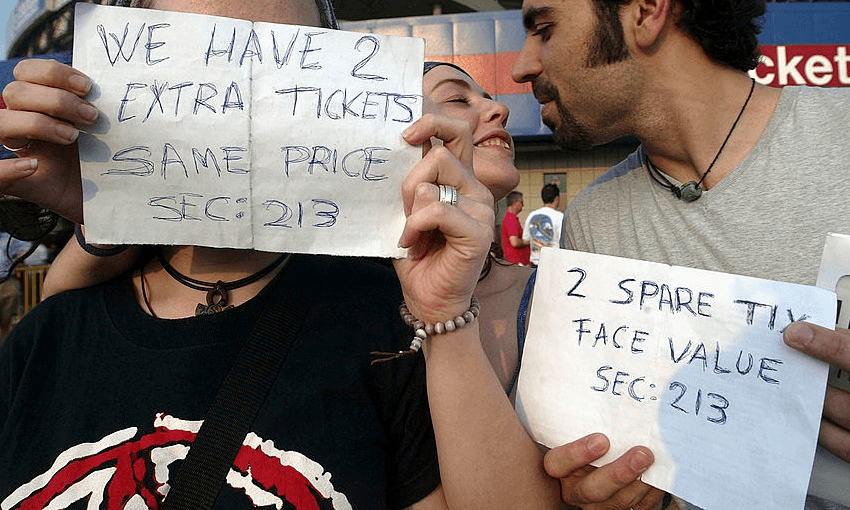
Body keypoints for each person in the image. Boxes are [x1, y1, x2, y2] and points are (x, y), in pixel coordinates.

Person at [0, 1, 564, 508]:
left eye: (284, 68)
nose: (235, 103)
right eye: (195, 62)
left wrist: (445, 315)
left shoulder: (385, 325)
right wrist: (107, 204)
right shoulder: (46, 338)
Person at [510, 0, 850, 507]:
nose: (521, 65)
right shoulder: (593, 223)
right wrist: (601, 487)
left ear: (646, 12)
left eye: (544, 29)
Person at [522, 183, 563, 266]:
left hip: (535, 264)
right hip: (553, 263)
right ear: (557, 198)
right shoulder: (560, 217)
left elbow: (525, 240)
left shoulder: (531, 215)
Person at [500, 191, 531, 265]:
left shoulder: (511, 218)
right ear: (514, 204)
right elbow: (515, 242)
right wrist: (526, 241)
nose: (523, 205)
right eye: (521, 202)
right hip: (516, 262)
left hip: (518, 262)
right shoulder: (510, 219)